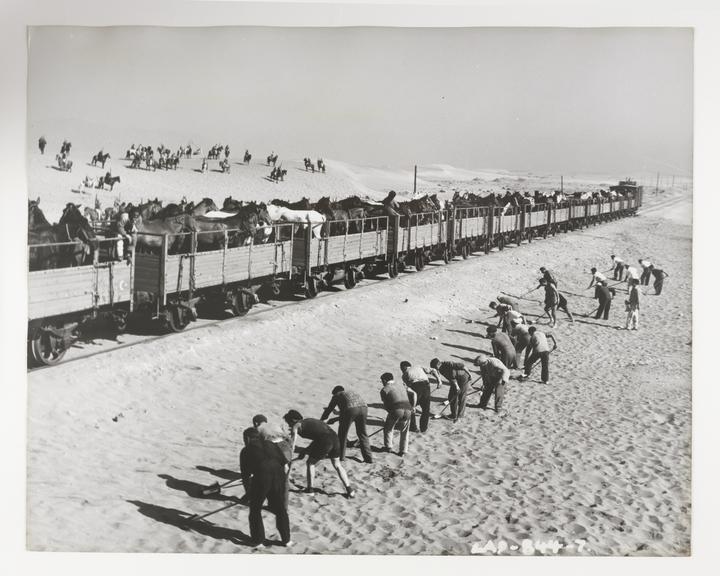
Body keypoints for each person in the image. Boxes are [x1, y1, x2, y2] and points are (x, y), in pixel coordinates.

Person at [239, 427, 292, 549]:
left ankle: (258, 541)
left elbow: (245, 476)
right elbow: (284, 463)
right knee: (280, 509)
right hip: (279, 475)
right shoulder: (271, 444)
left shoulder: (245, 451)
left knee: (255, 509)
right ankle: (287, 540)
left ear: (247, 438)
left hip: (263, 477)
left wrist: (248, 494)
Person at [282, 410, 355, 498]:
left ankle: (310, 490)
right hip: (335, 439)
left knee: (310, 463)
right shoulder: (309, 421)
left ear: (293, 420)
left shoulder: (296, 425)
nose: (289, 426)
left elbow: (293, 443)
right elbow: (318, 437)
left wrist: (289, 456)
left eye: (288, 423)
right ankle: (350, 490)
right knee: (337, 465)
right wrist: (305, 451)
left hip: (325, 441)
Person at [319, 386, 373, 463]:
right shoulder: (351, 392)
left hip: (350, 410)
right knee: (362, 434)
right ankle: (368, 458)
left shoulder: (337, 395)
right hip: (364, 409)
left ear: (335, 392)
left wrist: (321, 420)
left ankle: (341, 456)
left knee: (342, 434)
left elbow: (329, 409)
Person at [379, 372, 415, 455]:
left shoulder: (385, 389)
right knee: (405, 431)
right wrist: (413, 406)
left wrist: (391, 413)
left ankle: (388, 446)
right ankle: (403, 450)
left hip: (396, 409)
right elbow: (414, 394)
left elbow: (386, 405)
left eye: (382, 381)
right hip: (408, 409)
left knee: (388, 428)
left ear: (384, 380)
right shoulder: (402, 385)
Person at [400, 361, 434, 433]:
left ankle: (413, 427)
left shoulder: (404, 375)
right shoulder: (418, 366)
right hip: (426, 385)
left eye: (401, 369)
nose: (402, 371)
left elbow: (410, 390)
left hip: (416, 387)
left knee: (411, 407)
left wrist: (414, 404)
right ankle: (423, 428)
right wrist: (439, 381)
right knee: (426, 409)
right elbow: (433, 370)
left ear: (404, 367)